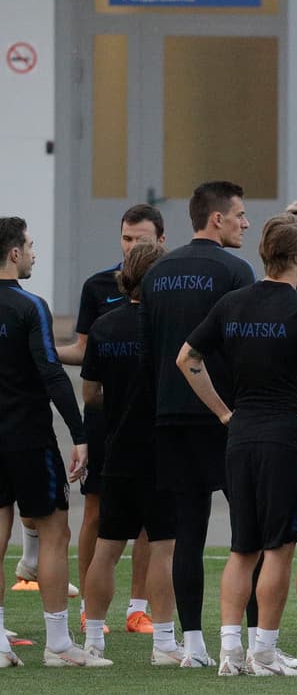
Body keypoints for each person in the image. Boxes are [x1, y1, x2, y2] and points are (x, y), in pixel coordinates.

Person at [177, 214, 297, 677]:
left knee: (242, 549)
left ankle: (230, 650)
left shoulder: (233, 303)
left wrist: (221, 411)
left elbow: (186, 358)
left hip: (241, 434)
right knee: (278, 548)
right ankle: (264, 651)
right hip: (286, 437)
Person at [139, 180, 254, 668]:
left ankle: (192, 647)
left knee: (187, 534)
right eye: (240, 215)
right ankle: (256, 643)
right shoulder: (235, 270)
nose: (246, 223)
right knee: (250, 532)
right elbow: (248, 346)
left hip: (167, 417)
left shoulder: (157, 270)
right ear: (216, 219)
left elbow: (149, 350)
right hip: (224, 416)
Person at [49, 204, 164, 634]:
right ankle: (90, 611)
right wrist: (41, 351)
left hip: (149, 421)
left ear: (161, 241)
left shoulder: (167, 290)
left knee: (153, 522)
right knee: (96, 512)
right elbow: (85, 352)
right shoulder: (98, 286)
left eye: (141, 239)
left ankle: (138, 608)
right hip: (106, 418)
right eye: (126, 238)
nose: (132, 245)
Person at [0, 217, 104, 668]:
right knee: (56, 533)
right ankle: (58, 644)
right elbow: (50, 371)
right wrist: (80, 434)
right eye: (30, 245)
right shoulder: (30, 306)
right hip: (27, 438)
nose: (34, 253)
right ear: (14, 254)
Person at [80, 242, 181, 664]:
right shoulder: (169, 327)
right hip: (160, 451)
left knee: (107, 547)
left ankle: (92, 643)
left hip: (117, 450)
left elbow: (91, 394)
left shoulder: (105, 327)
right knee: (162, 548)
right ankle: (162, 644)